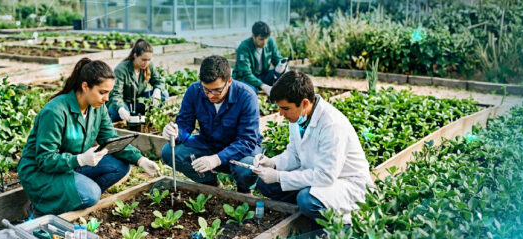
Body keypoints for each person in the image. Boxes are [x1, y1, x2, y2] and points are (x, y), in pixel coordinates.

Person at [18, 58, 160, 215]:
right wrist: (79, 160)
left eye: (108, 93)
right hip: (42, 174)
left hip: (70, 166)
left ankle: (74, 193)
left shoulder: (96, 108)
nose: (106, 98)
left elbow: (110, 139)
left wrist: (141, 160)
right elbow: (45, 160)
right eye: (102, 92)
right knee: (90, 194)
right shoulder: (55, 112)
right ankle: (41, 207)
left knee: (120, 165)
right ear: (85, 86)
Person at [251, 70, 374, 223]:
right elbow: (294, 154)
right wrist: (273, 163)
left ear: (304, 103)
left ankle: (343, 227)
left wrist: (280, 176)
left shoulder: (332, 124)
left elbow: (325, 176)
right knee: (266, 184)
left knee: (306, 200)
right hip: (315, 176)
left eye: (285, 108)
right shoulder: (298, 118)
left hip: (346, 183)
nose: (281, 114)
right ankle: (310, 211)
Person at [160, 55, 261, 193]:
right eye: (206, 90)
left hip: (240, 152)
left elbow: (247, 141)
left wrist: (217, 159)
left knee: (247, 167)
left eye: (217, 90)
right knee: (169, 152)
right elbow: (184, 125)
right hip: (209, 144)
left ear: (229, 81)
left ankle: (244, 193)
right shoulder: (194, 91)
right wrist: (176, 133)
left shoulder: (247, 97)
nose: (211, 95)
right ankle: (210, 183)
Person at [109, 39, 169, 123]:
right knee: (116, 111)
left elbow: (159, 80)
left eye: (149, 60)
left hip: (138, 101)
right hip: (125, 103)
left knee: (164, 94)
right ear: (135, 55)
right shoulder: (121, 69)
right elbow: (115, 94)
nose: (146, 63)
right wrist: (120, 108)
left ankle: (146, 117)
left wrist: (157, 90)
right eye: (144, 60)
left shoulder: (148, 66)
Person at [233, 21, 288, 96]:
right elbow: (246, 73)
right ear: (253, 36)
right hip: (246, 79)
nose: (264, 42)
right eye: (261, 39)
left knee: (285, 78)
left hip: (262, 76)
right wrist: (263, 86)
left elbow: (277, 58)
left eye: (266, 38)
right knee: (250, 92)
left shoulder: (270, 42)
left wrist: (282, 67)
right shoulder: (244, 47)